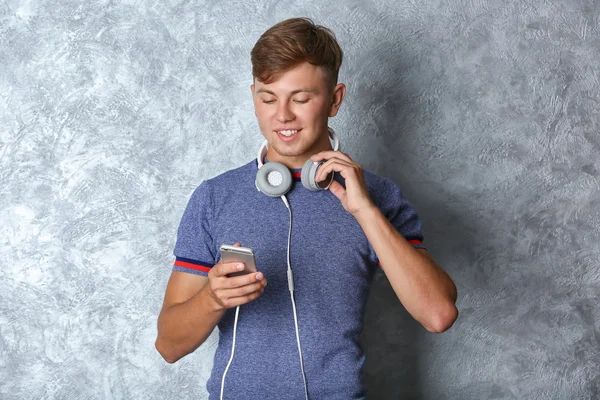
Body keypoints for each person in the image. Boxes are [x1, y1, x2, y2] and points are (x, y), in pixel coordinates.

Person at [155, 17, 458, 400]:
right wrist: (212, 299)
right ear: (253, 97)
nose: (282, 115)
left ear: (335, 100)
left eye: (300, 98)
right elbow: (168, 345)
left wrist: (364, 211)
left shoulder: (377, 196)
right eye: (268, 98)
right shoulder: (215, 197)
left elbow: (438, 315)